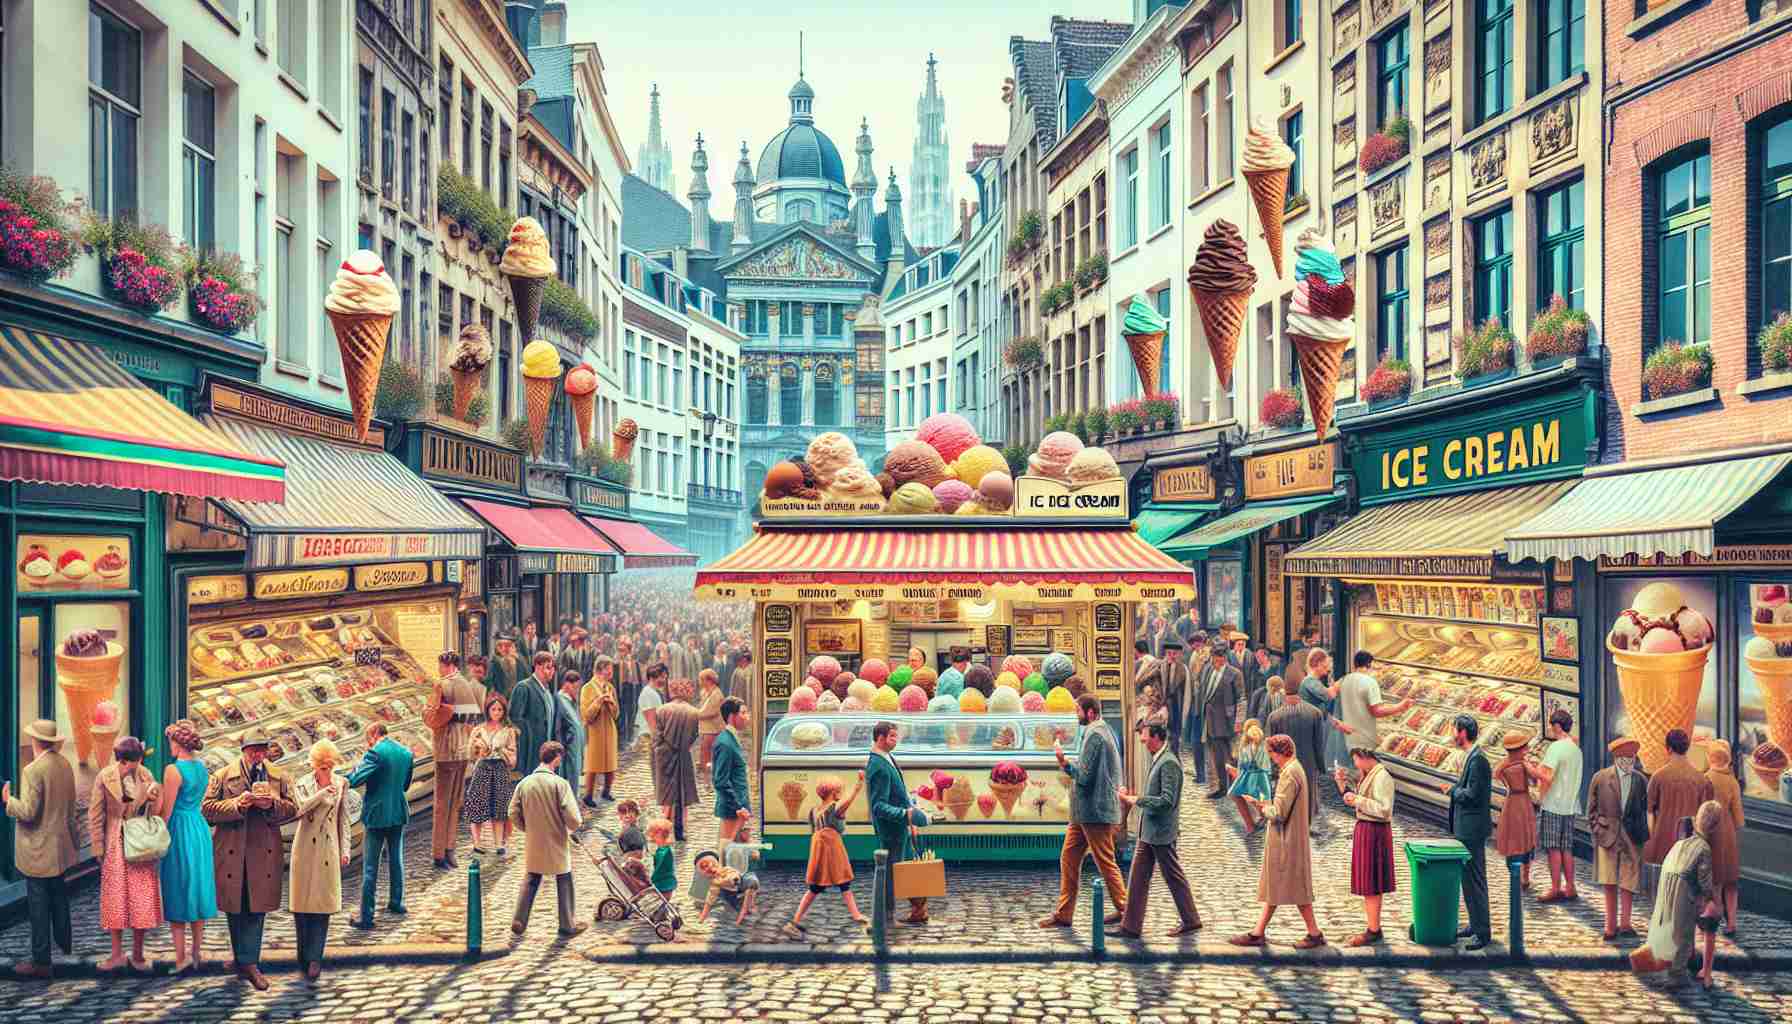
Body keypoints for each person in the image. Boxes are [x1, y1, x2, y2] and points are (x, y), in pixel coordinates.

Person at [202, 728, 297, 991]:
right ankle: (241, 959)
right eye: (253, 750)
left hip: (262, 851)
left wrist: (272, 805)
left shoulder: (279, 776)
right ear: (243, 751)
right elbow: (206, 810)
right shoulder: (222, 776)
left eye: (262, 750)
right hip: (231, 850)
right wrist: (236, 805)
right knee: (235, 905)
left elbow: (293, 809)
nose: (258, 755)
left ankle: (250, 963)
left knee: (256, 907)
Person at [1041, 695, 1128, 928]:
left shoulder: (1095, 735)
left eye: (1078, 710)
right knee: (1069, 859)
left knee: (1105, 862)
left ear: (1090, 713)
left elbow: (1086, 776)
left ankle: (1126, 910)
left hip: (1094, 812)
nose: (1075, 714)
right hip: (1083, 813)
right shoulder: (1101, 731)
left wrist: (1063, 761)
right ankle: (1064, 913)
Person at [1230, 735, 1323, 948]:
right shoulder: (1295, 768)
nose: (1271, 758)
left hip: (1286, 840)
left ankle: (1312, 933)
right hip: (1290, 838)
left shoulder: (1289, 774)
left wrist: (1259, 806)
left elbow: (1279, 813)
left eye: (1271, 753)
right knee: (1279, 886)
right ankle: (1259, 932)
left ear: (1280, 752)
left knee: (1290, 886)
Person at [1111, 722, 1201, 939]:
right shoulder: (1160, 758)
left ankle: (1191, 920)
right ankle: (1130, 927)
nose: (1142, 739)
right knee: (1138, 877)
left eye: (1144, 735)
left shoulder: (1168, 763)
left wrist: (1137, 800)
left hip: (1160, 833)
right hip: (1150, 833)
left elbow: (1167, 801)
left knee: (1173, 875)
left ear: (1157, 737)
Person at [5, 720, 78, 979]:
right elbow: (70, 807)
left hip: (38, 849)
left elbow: (28, 813)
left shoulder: (33, 770)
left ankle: (42, 961)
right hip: (60, 845)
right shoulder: (65, 764)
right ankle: (66, 946)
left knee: (38, 905)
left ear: (35, 741)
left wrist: (7, 800)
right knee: (59, 897)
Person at [89, 734, 162, 972]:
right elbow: (96, 814)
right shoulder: (105, 776)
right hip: (114, 841)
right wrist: (98, 847)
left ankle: (139, 955)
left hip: (139, 840)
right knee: (115, 898)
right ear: (123, 760)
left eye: (139, 761)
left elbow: (153, 810)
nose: (138, 765)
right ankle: (117, 954)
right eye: (134, 761)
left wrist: (152, 797)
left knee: (141, 896)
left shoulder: (145, 775)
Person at [1633, 804, 1723, 989]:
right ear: (1714, 827)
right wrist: (1711, 899)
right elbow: (1704, 879)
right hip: (1684, 890)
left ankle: (1666, 960)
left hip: (1668, 884)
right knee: (1685, 932)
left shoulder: (1683, 842)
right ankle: (1677, 974)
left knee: (1672, 927)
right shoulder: (1704, 848)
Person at [507, 741, 589, 938]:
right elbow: (574, 819)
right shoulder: (560, 784)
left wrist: (527, 828)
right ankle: (567, 924)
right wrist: (574, 826)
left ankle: (519, 920)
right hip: (556, 839)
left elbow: (512, 812)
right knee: (564, 878)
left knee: (532, 877)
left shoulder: (525, 783)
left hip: (534, 839)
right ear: (557, 758)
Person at [157, 720, 216, 974]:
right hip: (199, 828)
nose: (169, 746)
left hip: (180, 829)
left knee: (178, 888)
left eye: (170, 741)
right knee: (197, 886)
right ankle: (196, 953)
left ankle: (180, 958)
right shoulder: (202, 768)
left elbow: (166, 812)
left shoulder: (173, 770)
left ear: (178, 743)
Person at [289, 740, 350, 981]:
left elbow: (343, 818)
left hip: (328, 847)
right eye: (323, 767)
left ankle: (316, 958)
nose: (328, 771)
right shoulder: (302, 783)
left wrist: (345, 849)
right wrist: (321, 794)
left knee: (323, 905)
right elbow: (299, 810)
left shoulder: (342, 783)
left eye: (330, 766)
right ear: (314, 765)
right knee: (302, 905)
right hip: (304, 846)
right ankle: (302, 954)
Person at [346, 722, 414, 929]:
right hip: (398, 811)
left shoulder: (375, 753)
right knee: (396, 859)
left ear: (374, 735)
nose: (369, 744)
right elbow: (405, 785)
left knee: (370, 867)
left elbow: (356, 779)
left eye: (368, 740)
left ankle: (366, 916)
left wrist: (351, 770)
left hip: (377, 814)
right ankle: (397, 902)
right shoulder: (406, 753)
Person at [1267, 675, 1353, 835]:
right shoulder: (1314, 713)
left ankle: (1289, 825)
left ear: (1285, 693)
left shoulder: (1275, 717)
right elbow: (1318, 744)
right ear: (1300, 692)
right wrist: (1321, 766)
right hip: (1309, 763)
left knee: (1287, 793)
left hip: (1284, 765)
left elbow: (1270, 747)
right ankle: (1305, 826)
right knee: (1307, 795)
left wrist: (1273, 770)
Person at [785, 773, 867, 937]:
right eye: (839, 791)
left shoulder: (814, 811)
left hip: (819, 851)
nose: (840, 794)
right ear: (834, 793)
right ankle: (857, 916)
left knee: (816, 888)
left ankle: (796, 919)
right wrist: (858, 787)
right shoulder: (834, 808)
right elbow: (847, 803)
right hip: (832, 850)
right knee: (844, 884)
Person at [867, 720, 932, 925]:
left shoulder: (887, 758)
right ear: (880, 738)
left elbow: (899, 792)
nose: (897, 740)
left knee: (910, 867)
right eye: (893, 736)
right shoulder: (878, 766)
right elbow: (878, 807)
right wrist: (907, 815)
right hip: (891, 832)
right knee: (892, 876)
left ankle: (918, 910)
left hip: (900, 828)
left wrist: (910, 817)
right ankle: (887, 917)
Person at [1439, 714, 1493, 950]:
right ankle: (1474, 924)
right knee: (1468, 880)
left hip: (1472, 829)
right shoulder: (1473, 757)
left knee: (1475, 879)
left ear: (1462, 732)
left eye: (1453, 729)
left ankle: (1482, 932)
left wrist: (1452, 790)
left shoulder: (1478, 760)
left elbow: (1473, 795)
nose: (1452, 734)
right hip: (1466, 828)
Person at [427, 650, 484, 869]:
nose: (439, 669)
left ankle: (439, 853)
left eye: (440, 664)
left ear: (445, 664)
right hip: (462, 750)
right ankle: (450, 849)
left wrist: (427, 713)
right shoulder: (467, 685)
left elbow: (433, 718)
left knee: (441, 804)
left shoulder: (442, 685)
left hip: (445, 751)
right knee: (455, 803)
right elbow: (473, 717)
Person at [1589, 737, 1649, 940]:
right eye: (1625, 759)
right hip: (1608, 835)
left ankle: (1625, 923)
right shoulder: (1601, 777)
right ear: (1616, 758)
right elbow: (1592, 808)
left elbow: (1643, 809)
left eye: (1632, 759)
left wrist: (1641, 835)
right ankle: (1610, 925)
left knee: (1629, 880)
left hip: (1632, 836)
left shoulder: (1640, 780)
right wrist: (1598, 829)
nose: (1629, 763)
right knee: (1609, 880)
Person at [1337, 745, 1396, 946]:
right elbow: (1363, 800)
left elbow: (1384, 809)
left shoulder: (1382, 777)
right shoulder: (1371, 773)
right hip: (1368, 830)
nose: (1355, 764)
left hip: (1374, 832)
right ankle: (1373, 927)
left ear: (1364, 756)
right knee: (1369, 882)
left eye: (1356, 760)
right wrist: (1344, 787)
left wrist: (1357, 800)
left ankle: (1373, 930)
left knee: (1372, 883)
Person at [1645, 729, 1714, 872]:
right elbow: (1705, 819)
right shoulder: (1701, 780)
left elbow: (1649, 813)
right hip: (1689, 844)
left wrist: (1650, 840)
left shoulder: (1658, 777)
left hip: (1662, 842)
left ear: (1668, 749)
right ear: (1687, 747)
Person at [1533, 709, 1583, 904]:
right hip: (1570, 804)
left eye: (1551, 725)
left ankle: (1555, 888)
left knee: (1553, 848)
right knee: (1566, 848)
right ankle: (1570, 887)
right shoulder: (1576, 749)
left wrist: (1532, 770)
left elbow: (1548, 777)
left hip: (1554, 803)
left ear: (1557, 726)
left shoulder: (1556, 748)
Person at [646, 677, 701, 841]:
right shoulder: (694, 712)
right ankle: (679, 831)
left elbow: (657, 735)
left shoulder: (662, 710)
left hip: (665, 755)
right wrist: (684, 746)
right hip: (683, 755)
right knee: (681, 794)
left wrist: (658, 750)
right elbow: (693, 736)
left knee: (667, 795)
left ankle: (663, 830)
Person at [465, 694, 518, 856]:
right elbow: (470, 754)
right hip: (482, 768)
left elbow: (513, 755)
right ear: (487, 710)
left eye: (500, 709)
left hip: (500, 769)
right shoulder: (478, 730)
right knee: (477, 804)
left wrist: (501, 751)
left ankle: (499, 843)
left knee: (500, 807)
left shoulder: (508, 731)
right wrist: (478, 749)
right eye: (493, 709)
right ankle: (477, 842)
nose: (496, 712)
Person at [1703, 739, 1744, 934]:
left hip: (1709, 830)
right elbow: (1739, 818)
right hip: (1728, 831)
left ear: (1709, 758)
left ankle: (1714, 920)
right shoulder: (1732, 781)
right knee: (1730, 880)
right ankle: (1732, 923)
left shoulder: (1705, 779)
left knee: (1715, 881)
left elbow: (1700, 810)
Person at [1336, 650, 1413, 753]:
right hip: (1364, 739)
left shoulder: (1344, 679)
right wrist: (1400, 707)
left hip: (1346, 736)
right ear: (1369, 664)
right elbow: (1377, 711)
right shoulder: (1370, 682)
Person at [1195, 644, 1242, 797]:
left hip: (1226, 720)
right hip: (1208, 720)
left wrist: (1239, 721)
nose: (1217, 662)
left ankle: (1232, 786)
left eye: (1220, 659)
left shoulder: (1234, 674)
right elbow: (1202, 690)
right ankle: (1222, 787)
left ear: (1225, 658)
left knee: (1228, 755)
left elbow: (1242, 699)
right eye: (1215, 658)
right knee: (1216, 755)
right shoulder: (1208, 669)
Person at [1495, 731, 1539, 890]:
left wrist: (1507, 783)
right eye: (1524, 747)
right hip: (1523, 802)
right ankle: (1525, 877)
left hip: (1511, 801)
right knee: (1526, 838)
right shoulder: (1524, 764)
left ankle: (1515, 873)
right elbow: (1535, 777)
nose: (1526, 749)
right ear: (1519, 749)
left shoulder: (1504, 764)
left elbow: (1497, 774)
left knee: (1512, 837)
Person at [1135, 638, 1188, 760]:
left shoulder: (1183, 670)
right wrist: (1147, 689)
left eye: (1175, 654)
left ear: (1179, 654)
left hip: (1176, 708)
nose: (1172, 656)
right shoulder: (1157, 666)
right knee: (1158, 737)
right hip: (1158, 707)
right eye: (1169, 653)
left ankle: (1173, 761)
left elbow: (1187, 692)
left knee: (1174, 740)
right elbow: (1142, 681)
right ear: (1165, 654)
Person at [510, 652, 562, 778]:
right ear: (538, 667)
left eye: (553, 668)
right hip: (530, 752)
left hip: (547, 752)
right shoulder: (524, 687)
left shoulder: (548, 692)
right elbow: (515, 720)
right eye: (548, 667)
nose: (552, 672)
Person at [580, 655, 620, 805]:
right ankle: (588, 795)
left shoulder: (611, 688)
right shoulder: (587, 688)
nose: (611, 674)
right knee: (592, 763)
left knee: (611, 762)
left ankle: (606, 791)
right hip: (593, 731)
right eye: (609, 671)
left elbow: (616, 714)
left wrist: (611, 703)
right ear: (601, 669)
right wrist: (598, 702)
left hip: (609, 729)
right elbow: (586, 715)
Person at [1300, 648, 1349, 770]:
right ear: (1316, 664)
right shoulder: (1309, 682)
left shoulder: (1314, 682)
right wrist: (1346, 680)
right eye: (1325, 666)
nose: (1327, 670)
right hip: (1312, 729)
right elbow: (1329, 695)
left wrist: (1339, 724)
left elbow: (1323, 711)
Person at [712, 697, 752, 844]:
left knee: (736, 849)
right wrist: (738, 807)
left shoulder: (731, 739)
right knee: (727, 848)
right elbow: (720, 781)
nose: (747, 717)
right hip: (732, 809)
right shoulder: (725, 743)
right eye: (743, 713)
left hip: (739, 807)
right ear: (731, 717)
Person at [1226, 719, 1272, 832]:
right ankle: (1261, 819)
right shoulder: (1263, 746)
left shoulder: (1244, 748)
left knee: (1241, 795)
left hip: (1247, 778)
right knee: (1258, 797)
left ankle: (1252, 824)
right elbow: (1267, 767)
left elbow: (1241, 766)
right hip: (1261, 778)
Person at [554, 670, 586, 791]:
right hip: (568, 746)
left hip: (575, 747)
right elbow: (558, 727)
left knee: (575, 776)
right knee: (568, 777)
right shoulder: (560, 699)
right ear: (567, 684)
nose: (577, 690)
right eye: (575, 687)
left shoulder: (572, 700)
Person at [695, 669, 725, 775]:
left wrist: (694, 715)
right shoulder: (704, 692)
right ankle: (705, 769)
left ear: (709, 681)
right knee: (704, 749)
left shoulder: (717, 694)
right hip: (704, 727)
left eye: (701, 679)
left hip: (713, 728)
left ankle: (709, 771)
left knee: (708, 749)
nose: (699, 682)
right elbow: (701, 707)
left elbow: (712, 712)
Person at [637, 662, 668, 758]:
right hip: (649, 737)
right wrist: (658, 743)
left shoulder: (655, 692)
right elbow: (651, 722)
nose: (664, 680)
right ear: (652, 677)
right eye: (662, 677)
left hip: (654, 737)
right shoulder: (648, 693)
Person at [616, 638, 642, 747]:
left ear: (629, 650)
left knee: (631, 712)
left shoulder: (634, 663)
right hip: (621, 690)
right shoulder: (617, 663)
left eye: (624, 650)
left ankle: (630, 735)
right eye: (620, 650)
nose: (621, 652)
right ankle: (621, 739)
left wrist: (639, 692)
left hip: (632, 689)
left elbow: (639, 679)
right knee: (621, 714)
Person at [487, 632, 526, 704]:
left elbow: (527, 678)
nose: (504, 649)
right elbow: (490, 684)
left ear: (514, 647)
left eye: (507, 645)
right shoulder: (494, 663)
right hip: (501, 703)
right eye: (500, 646)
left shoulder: (520, 661)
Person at [646, 817, 678, 900]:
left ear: (658, 833)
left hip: (663, 885)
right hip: (666, 883)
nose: (650, 835)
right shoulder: (663, 849)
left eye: (651, 833)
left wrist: (649, 881)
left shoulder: (664, 852)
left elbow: (657, 870)